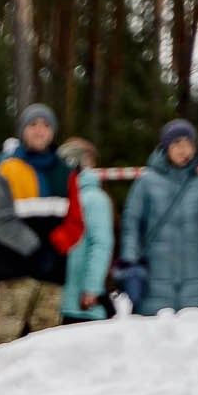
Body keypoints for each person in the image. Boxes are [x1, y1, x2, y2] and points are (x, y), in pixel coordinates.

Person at [0, 103, 84, 345]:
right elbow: (1, 219)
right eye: (33, 125)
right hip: (15, 272)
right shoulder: (8, 169)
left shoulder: (66, 173)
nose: (39, 130)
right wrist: (33, 247)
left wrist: (55, 247)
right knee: (6, 342)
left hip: (52, 273)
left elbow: (76, 221)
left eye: (45, 125)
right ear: (23, 130)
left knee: (46, 344)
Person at [116, 120, 198, 316]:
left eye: (188, 143)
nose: (183, 149)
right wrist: (130, 262)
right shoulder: (146, 182)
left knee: (195, 338)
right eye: (177, 143)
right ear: (165, 146)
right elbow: (132, 224)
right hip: (155, 279)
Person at [56, 137, 114, 323]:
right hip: (60, 300)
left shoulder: (94, 199)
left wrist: (92, 288)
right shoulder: (62, 195)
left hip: (84, 303)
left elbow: (101, 245)